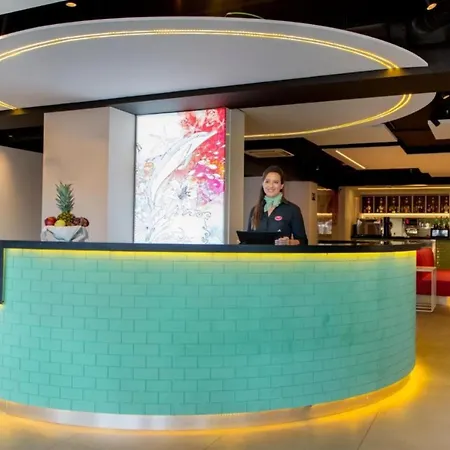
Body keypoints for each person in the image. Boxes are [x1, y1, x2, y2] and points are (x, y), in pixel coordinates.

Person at [247, 165, 308, 245]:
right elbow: (249, 239)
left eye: (275, 182)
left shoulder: (293, 210)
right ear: (263, 184)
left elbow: (303, 241)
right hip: (258, 253)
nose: (271, 186)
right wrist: (244, 242)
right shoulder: (254, 210)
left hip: (280, 253)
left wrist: (289, 242)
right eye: (267, 181)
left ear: (281, 186)